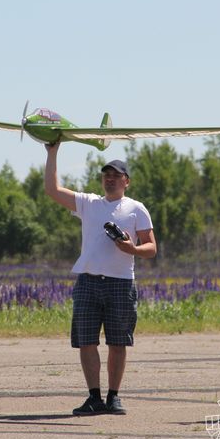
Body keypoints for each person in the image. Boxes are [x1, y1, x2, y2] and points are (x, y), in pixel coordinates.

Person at [44, 142, 157, 415]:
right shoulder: (89, 203)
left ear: (126, 181)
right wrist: (52, 152)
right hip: (88, 280)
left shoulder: (136, 208)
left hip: (120, 282)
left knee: (118, 342)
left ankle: (114, 397)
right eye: (106, 174)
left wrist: (132, 249)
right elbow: (52, 190)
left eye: (116, 175)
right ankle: (93, 397)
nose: (110, 178)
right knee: (86, 340)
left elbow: (151, 248)